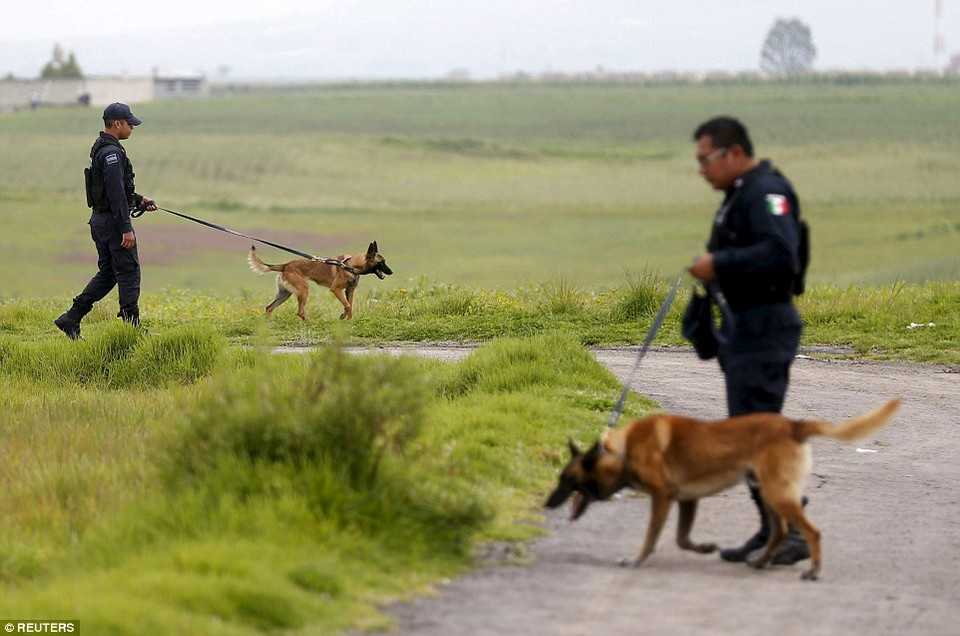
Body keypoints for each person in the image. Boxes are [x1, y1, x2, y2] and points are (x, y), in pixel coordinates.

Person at [687, 116, 810, 565]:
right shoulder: (741, 193)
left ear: (733, 152)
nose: (701, 170)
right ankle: (771, 530)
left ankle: (793, 530)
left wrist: (720, 262)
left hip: (765, 327)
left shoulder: (766, 192)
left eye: (706, 159)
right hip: (745, 327)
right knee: (751, 438)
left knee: (758, 438)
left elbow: (781, 253)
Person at [54, 102, 157, 339]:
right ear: (117, 124)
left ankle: (71, 318)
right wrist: (126, 228)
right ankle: (132, 329)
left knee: (109, 273)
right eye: (129, 123)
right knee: (129, 271)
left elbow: (115, 190)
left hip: (101, 221)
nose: (132, 127)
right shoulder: (111, 153)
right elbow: (115, 193)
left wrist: (139, 199)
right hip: (112, 224)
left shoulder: (103, 148)